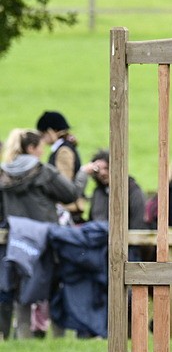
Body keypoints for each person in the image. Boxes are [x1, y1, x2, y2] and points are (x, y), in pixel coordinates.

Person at [0, 130, 87, 339]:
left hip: (19, 239)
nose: (42, 151)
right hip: (46, 236)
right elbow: (70, 194)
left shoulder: (4, 173)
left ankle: (23, 337)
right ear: (31, 149)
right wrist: (83, 173)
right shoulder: (42, 171)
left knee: (22, 287)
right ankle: (58, 337)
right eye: (39, 147)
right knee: (55, 286)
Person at [36, 111, 86, 223]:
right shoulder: (62, 148)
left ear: (50, 131)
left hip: (67, 210)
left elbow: (64, 183)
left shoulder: (63, 151)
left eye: (42, 134)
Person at [80, 150, 148, 230]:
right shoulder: (98, 192)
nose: (102, 173)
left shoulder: (132, 190)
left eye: (107, 168)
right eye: (98, 170)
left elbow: (138, 223)